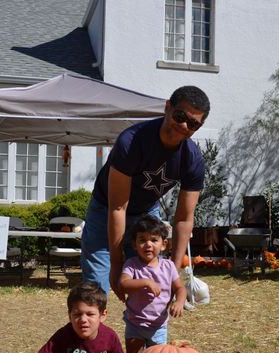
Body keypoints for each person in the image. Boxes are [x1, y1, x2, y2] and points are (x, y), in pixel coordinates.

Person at [81, 85, 210, 300]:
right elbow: (118, 207)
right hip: (107, 210)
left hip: (146, 212)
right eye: (180, 116)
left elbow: (184, 219)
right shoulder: (131, 142)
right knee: (96, 289)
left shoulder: (192, 159)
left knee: (152, 282)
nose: (184, 126)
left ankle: (142, 334)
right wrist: (116, 265)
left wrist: (173, 272)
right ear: (167, 108)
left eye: (193, 124)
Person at [22, 281, 125, 353]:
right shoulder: (64, 335)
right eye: (77, 314)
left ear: (102, 315)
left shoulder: (109, 336)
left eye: (90, 314)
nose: (83, 319)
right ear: (69, 315)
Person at [119, 214, 186, 353]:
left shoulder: (169, 266)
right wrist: (146, 282)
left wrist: (179, 301)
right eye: (142, 240)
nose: (148, 244)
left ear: (163, 245)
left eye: (154, 240)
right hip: (135, 324)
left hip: (158, 326)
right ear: (134, 244)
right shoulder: (132, 265)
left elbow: (180, 288)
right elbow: (123, 284)